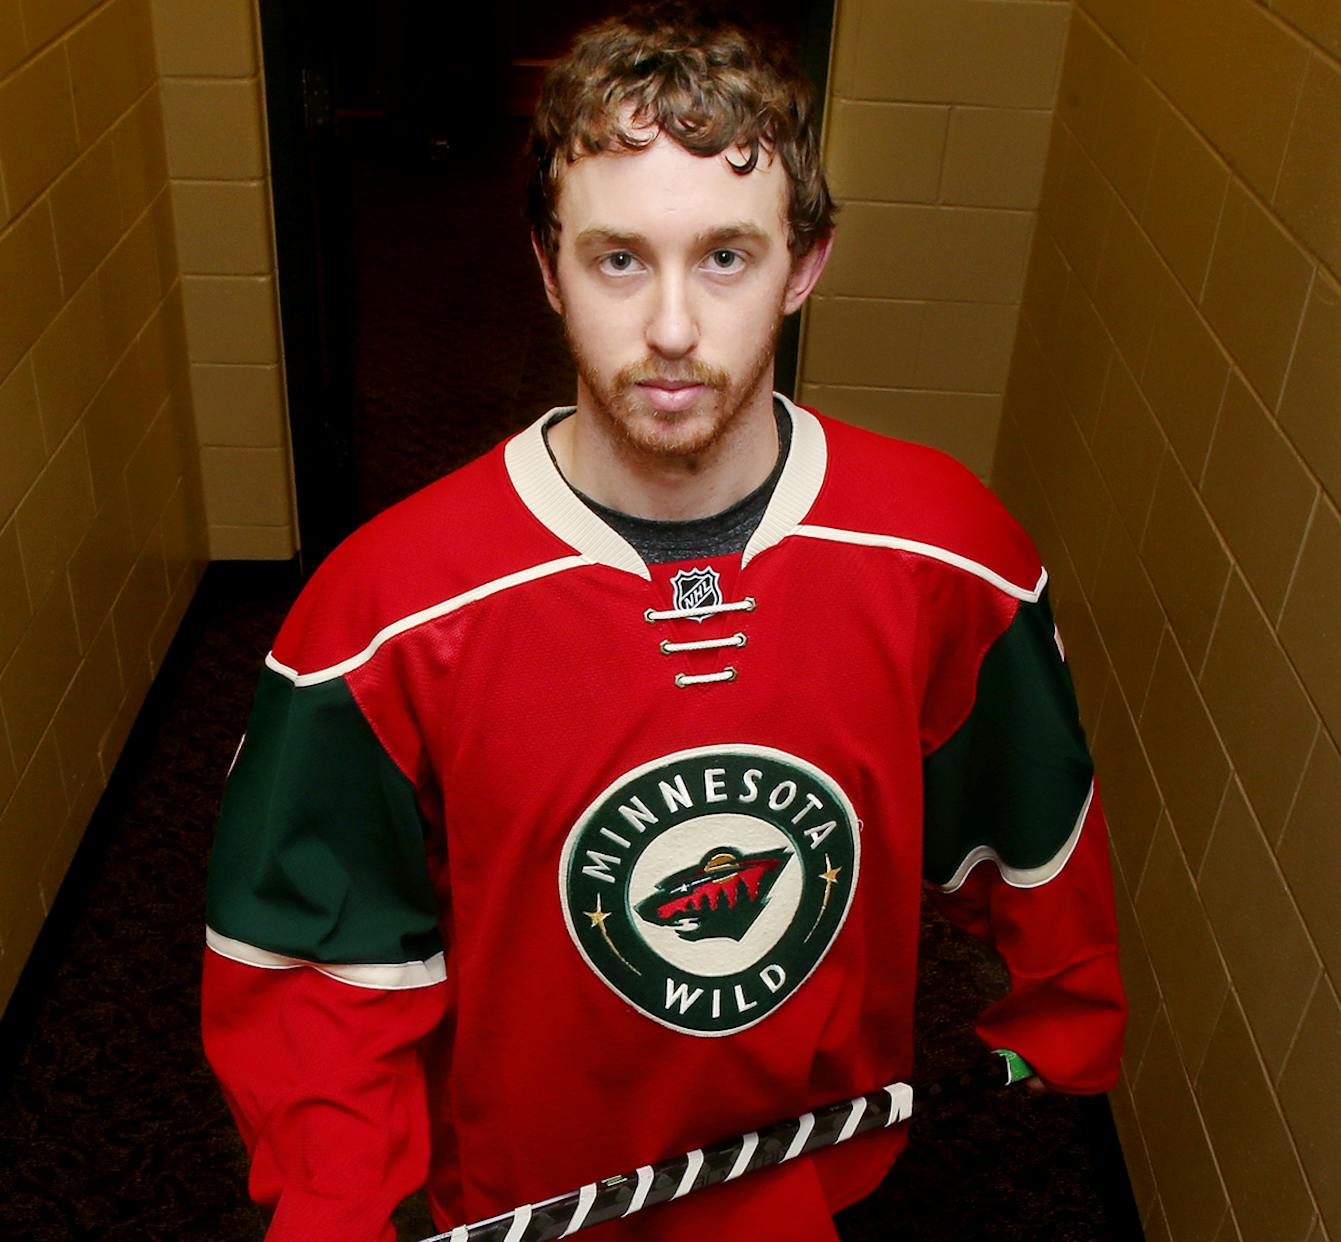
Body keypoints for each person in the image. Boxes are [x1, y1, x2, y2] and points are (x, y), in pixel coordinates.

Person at [198, 6, 1126, 1239]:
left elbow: (1030, 812)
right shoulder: (387, 611)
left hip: (815, 1170)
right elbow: (318, 960)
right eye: (620, 259)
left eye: (727, 258)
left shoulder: (944, 551)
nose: (675, 329)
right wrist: (334, 1208)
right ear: (547, 265)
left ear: (806, 263)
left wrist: (1063, 1013)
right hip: (527, 1189)